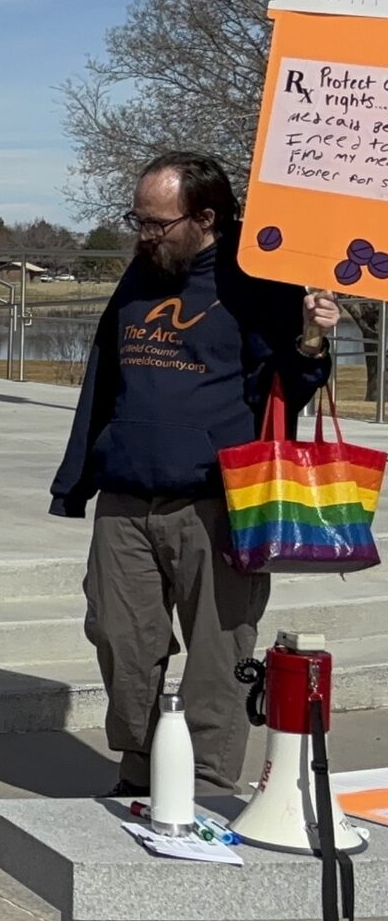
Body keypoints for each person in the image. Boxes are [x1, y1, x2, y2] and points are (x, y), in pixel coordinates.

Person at [51, 152, 337, 795]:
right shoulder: (141, 273)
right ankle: (142, 768)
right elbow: (104, 375)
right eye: (139, 220)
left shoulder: (257, 281)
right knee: (121, 639)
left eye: (157, 222)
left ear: (205, 217)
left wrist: (314, 339)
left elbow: (289, 386)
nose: (144, 234)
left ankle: (204, 782)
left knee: (218, 650)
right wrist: (78, 477)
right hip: (127, 494)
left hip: (218, 501)